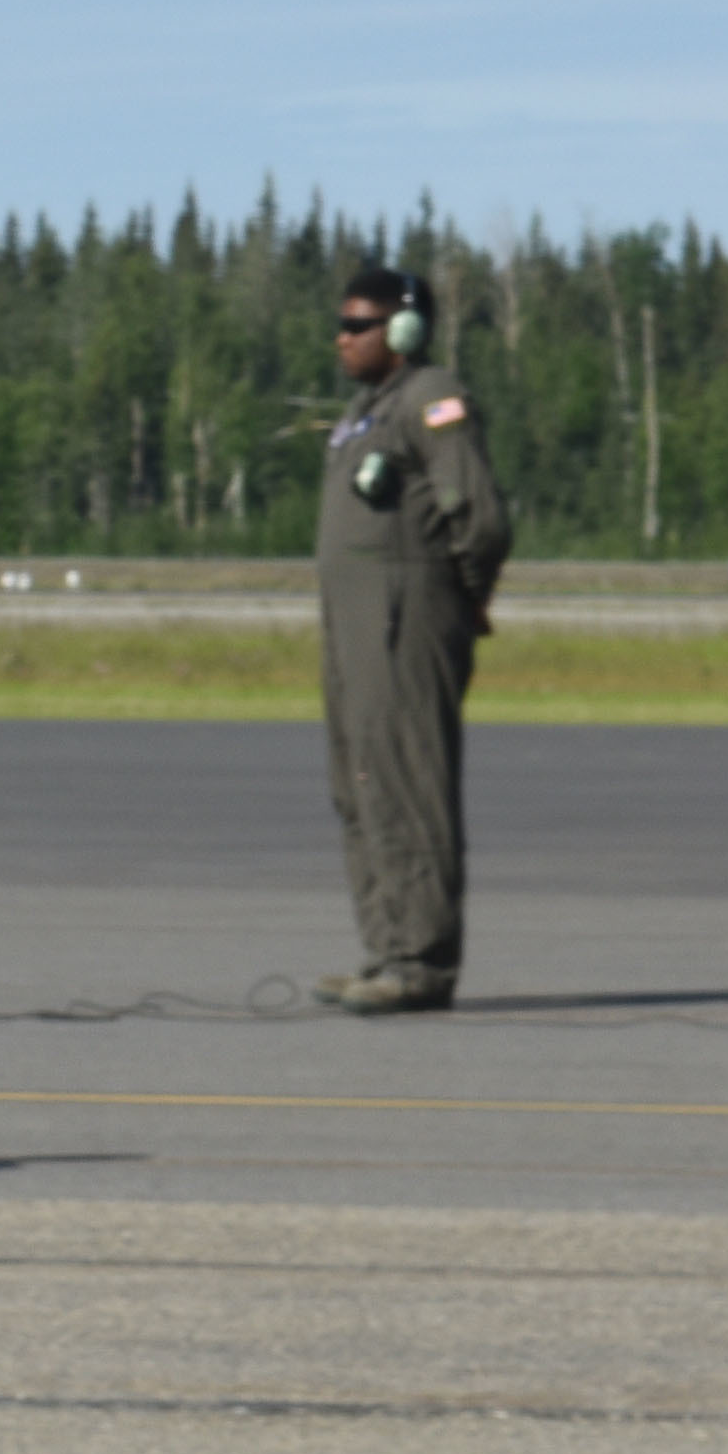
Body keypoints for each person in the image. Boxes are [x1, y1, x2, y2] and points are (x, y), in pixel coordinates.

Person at [314, 260, 509, 1013]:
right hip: (356, 623)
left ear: (402, 330)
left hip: (406, 616)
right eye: (340, 324)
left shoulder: (431, 397)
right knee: (359, 781)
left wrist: (459, 599)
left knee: (407, 782)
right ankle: (385, 947)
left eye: (357, 325)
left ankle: (422, 961)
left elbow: (480, 519)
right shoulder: (369, 408)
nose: (342, 338)